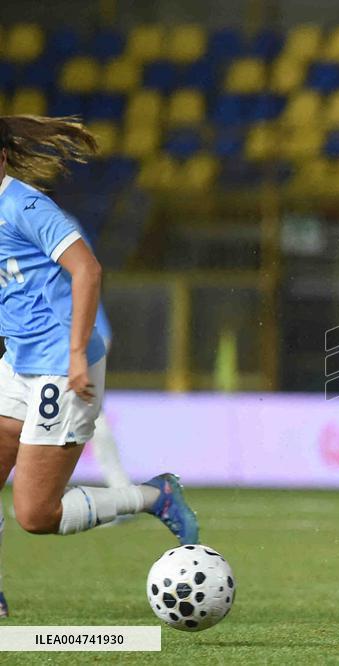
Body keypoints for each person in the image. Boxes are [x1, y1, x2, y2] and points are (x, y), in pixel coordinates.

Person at [0, 115, 200, 618]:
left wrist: (74, 356)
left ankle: (154, 497)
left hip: (57, 366)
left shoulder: (24, 205)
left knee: (36, 514)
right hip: (20, 359)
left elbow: (87, 268)